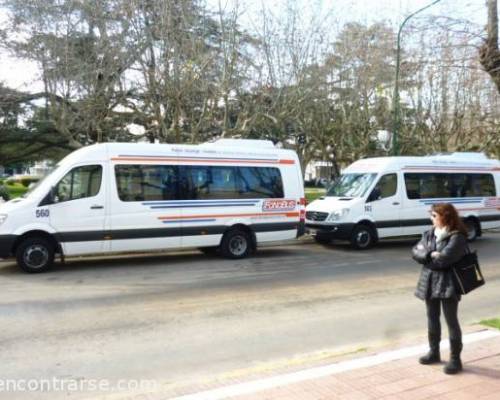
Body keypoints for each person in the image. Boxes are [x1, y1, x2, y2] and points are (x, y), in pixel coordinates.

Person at [412, 203, 468, 374]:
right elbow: (415, 251)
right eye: (431, 215)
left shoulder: (457, 237)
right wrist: (429, 254)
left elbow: (443, 260)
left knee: (451, 321)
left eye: (434, 215)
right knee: (432, 318)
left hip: (448, 284)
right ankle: (434, 352)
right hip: (429, 282)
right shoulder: (429, 234)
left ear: (446, 217)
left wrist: (429, 258)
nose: (432, 218)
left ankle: (455, 359)